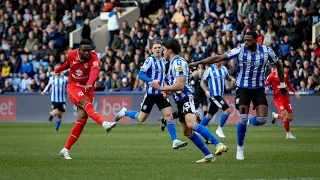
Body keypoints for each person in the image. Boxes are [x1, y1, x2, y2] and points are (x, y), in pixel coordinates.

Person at [189, 31, 286, 160]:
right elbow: (219, 57)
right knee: (243, 117)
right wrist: (197, 63)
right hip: (242, 90)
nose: (246, 42)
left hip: (258, 90)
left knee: (262, 119)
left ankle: (249, 123)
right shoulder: (240, 49)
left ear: (256, 40)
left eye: (249, 40)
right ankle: (240, 149)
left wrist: (283, 84)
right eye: (244, 40)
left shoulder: (266, 51)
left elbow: (279, 65)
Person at [150, 39, 228, 163]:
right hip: (179, 100)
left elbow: (181, 85)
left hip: (187, 97)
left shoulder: (179, 62)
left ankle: (219, 144)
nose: (162, 52)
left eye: (164, 49)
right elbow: (177, 84)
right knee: (187, 132)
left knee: (191, 124)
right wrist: (168, 91)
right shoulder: (171, 63)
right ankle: (208, 156)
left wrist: (161, 88)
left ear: (169, 50)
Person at [114, 40, 188, 150]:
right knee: (141, 118)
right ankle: (125, 112)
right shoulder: (149, 61)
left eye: (159, 47)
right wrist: (151, 80)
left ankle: (175, 140)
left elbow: (164, 76)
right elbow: (140, 74)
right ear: (151, 50)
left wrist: (168, 86)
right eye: (155, 48)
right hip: (150, 94)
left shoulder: (164, 61)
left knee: (169, 116)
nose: (158, 49)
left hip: (160, 94)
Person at [54, 39, 117, 160]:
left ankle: (65, 149)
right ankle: (104, 124)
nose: (87, 53)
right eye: (84, 51)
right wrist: (59, 69)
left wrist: (89, 83)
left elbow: (94, 73)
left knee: (82, 119)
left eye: (89, 50)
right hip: (74, 86)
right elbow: (69, 64)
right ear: (79, 51)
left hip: (88, 88)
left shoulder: (95, 60)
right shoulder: (72, 54)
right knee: (86, 103)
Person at [200, 61, 235, 139]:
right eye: (217, 60)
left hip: (220, 96)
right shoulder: (209, 70)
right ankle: (219, 129)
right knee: (228, 110)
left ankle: (198, 130)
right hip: (214, 96)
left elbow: (228, 78)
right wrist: (206, 90)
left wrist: (232, 79)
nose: (219, 61)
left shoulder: (224, 69)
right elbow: (202, 82)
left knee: (209, 115)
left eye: (220, 60)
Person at [265, 65, 300, 139]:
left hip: (286, 97)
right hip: (278, 99)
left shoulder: (285, 73)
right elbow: (265, 84)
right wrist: (265, 88)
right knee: (286, 116)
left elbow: (289, 84)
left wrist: (295, 92)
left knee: (290, 118)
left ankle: (275, 116)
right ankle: (288, 134)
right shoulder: (271, 76)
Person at [41, 65, 68, 132]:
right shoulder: (52, 78)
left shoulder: (65, 78)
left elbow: (70, 84)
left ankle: (56, 128)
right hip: (54, 99)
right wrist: (44, 91)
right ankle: (51, 115)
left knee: (60, 115)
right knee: (55, 111)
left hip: (62, 99)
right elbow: (48, 85)